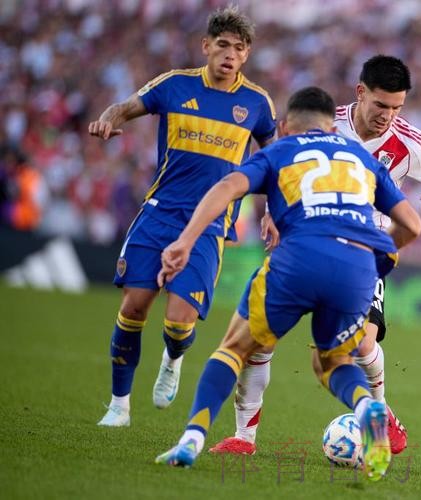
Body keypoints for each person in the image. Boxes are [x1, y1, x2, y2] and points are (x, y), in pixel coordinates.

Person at [209, 55, 421, 457]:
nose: (388, 116)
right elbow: (282, 165)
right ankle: (243, 437)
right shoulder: (326, 125)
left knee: (362, 345)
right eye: (381, 105)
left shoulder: (409, 143)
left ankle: (380, 413)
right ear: (360, 92)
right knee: (258, 341)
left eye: (397, 107)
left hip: (363, 256)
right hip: (301, 244)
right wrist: (273, 213)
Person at [153, 86, 421, 482]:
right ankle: (368, 408)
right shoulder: (361, 158)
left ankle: (191, 438)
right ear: (332, 127)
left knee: (235, 348)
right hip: (356, 268)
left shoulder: (280, 150)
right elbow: (412, 225)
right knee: (332, 362)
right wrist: (378, 257)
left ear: (282, 127)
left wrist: (185, 240)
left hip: (300, 257)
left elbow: (227, 187)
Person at [90, 6, 276, 427]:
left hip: (210, 224)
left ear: (246, 55)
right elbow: (125, 106)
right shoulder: (175, 84)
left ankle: (172, 359)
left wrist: (274, 213)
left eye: (239, 48)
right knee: (134, 307)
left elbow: (276, 161)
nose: (230, 54)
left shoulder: (257, 103)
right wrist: (106, 119)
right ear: (206, 46)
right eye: (223, 45)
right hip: (159, 213)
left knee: (178, 322)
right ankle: (119, 405)